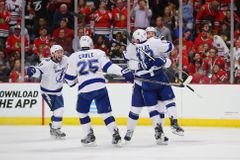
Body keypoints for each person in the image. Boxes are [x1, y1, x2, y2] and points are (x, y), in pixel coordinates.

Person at [64, 36, 134, 146]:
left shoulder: (73, 57)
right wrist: (123, 71)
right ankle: (115, 135)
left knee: (82, 113)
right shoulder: (98, 52)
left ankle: (89, 135)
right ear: (91, 44)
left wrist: (73, 81)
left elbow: (69, 80)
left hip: (85, 89)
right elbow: (108, 67)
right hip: (100, 86)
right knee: (106, 114)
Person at [123, 29, 175, 145]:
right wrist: (138, 65)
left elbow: (164, 58)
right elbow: (128, 62)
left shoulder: (153, 44)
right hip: (140, 83)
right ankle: (129, 131)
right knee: (135, 110)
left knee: (158, 109)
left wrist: (163, 62)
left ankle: (160, 134)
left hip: (152, 81)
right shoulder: (133, 47)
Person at [145, 27, 185, 136]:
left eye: (152, 33)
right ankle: (160, 130)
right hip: (149, 79)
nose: (150, 35)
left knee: (168, 100)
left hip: (159, 76)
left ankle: (173, 124)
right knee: (159, 106)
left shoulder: (152, 44)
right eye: (148, 33)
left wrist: (164, 61)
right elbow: (170, 48)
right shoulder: (152, 43)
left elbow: (167, 61)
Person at [26, 45, 68, 139]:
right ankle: (55, 129)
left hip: (58, 91)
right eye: (58, 52)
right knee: (58, 110)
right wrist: (32, 70)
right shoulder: (46, 63)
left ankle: (54, 127)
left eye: (61, 52)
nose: (60, 54)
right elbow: (38, 71)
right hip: (47, 91)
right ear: (52, 54)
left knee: (60, 110)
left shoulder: (65, 59)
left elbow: (73, 64)